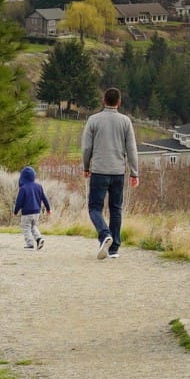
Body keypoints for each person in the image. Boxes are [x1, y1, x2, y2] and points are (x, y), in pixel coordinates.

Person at [80, 87, 140, 258]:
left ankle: (105, 234)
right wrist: (134, 173)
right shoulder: (125, 121)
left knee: (94, 208)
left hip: (99, 171)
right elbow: (132, 149)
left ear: (103, 101)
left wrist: (86, 167)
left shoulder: (93, 120)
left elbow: (86, 148)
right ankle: (114, 249)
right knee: (116, 209)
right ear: (119, 102)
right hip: (118, 172)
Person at [14, 165, 50, 250]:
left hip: (27, 212)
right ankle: (39, 238)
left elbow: (19, 201)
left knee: (26, 227)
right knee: (33, 226)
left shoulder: (23, 188)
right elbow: (44, 198)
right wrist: (48, 209)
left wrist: (15, 211)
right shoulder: (39, 186)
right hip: (37, 212)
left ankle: (30, 243)